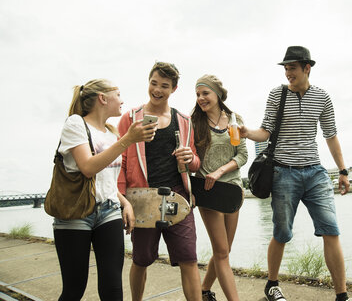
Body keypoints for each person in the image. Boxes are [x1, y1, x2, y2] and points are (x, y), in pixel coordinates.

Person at [238, 46, 351, 301]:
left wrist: (343, 170)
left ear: (306, 68)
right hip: (283, 173)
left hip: (315, 173)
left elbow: (331, 136)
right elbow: (265, 132)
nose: (288, 73)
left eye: (292, 68)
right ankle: (272, 285)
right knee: (282, 233)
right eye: (285, 68)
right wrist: (247, 133)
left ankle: (342, 296)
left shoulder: (322, 97)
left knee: (331, 230)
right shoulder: (277, 95)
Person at [53, 78, 156, 300]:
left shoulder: (111, 134)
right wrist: (128, 140)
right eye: (117, 94)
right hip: (76, 212)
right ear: (102, 98)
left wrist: (125, 202)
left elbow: (105, 180)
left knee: (112, 289)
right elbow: (88, 168)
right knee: (74, 288)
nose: (122, 100)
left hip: (109, 211)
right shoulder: (75, 124)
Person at [117, 62, 202, 301]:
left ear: (173, 89)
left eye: (164, 86)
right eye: (153, 83)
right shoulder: (131, 118)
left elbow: (194, 162)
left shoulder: (184, 120)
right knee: (141, 259)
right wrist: (124, 201)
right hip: (142, 197)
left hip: (178, 197)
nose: (157, 90)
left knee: (189, 258)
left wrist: (191, 158)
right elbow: (121, 163)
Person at [191, 75, 248, 301]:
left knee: (224, 251)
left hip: (233, 190)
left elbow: (243, 155)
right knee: (222, 253)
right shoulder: (195, 123)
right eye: (197, 94)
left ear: (217, 94)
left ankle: (204, 290)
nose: (201, 98)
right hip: (207, 190)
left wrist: (220, 171)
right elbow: (191, 159)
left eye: (205, 93)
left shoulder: (235, 120)